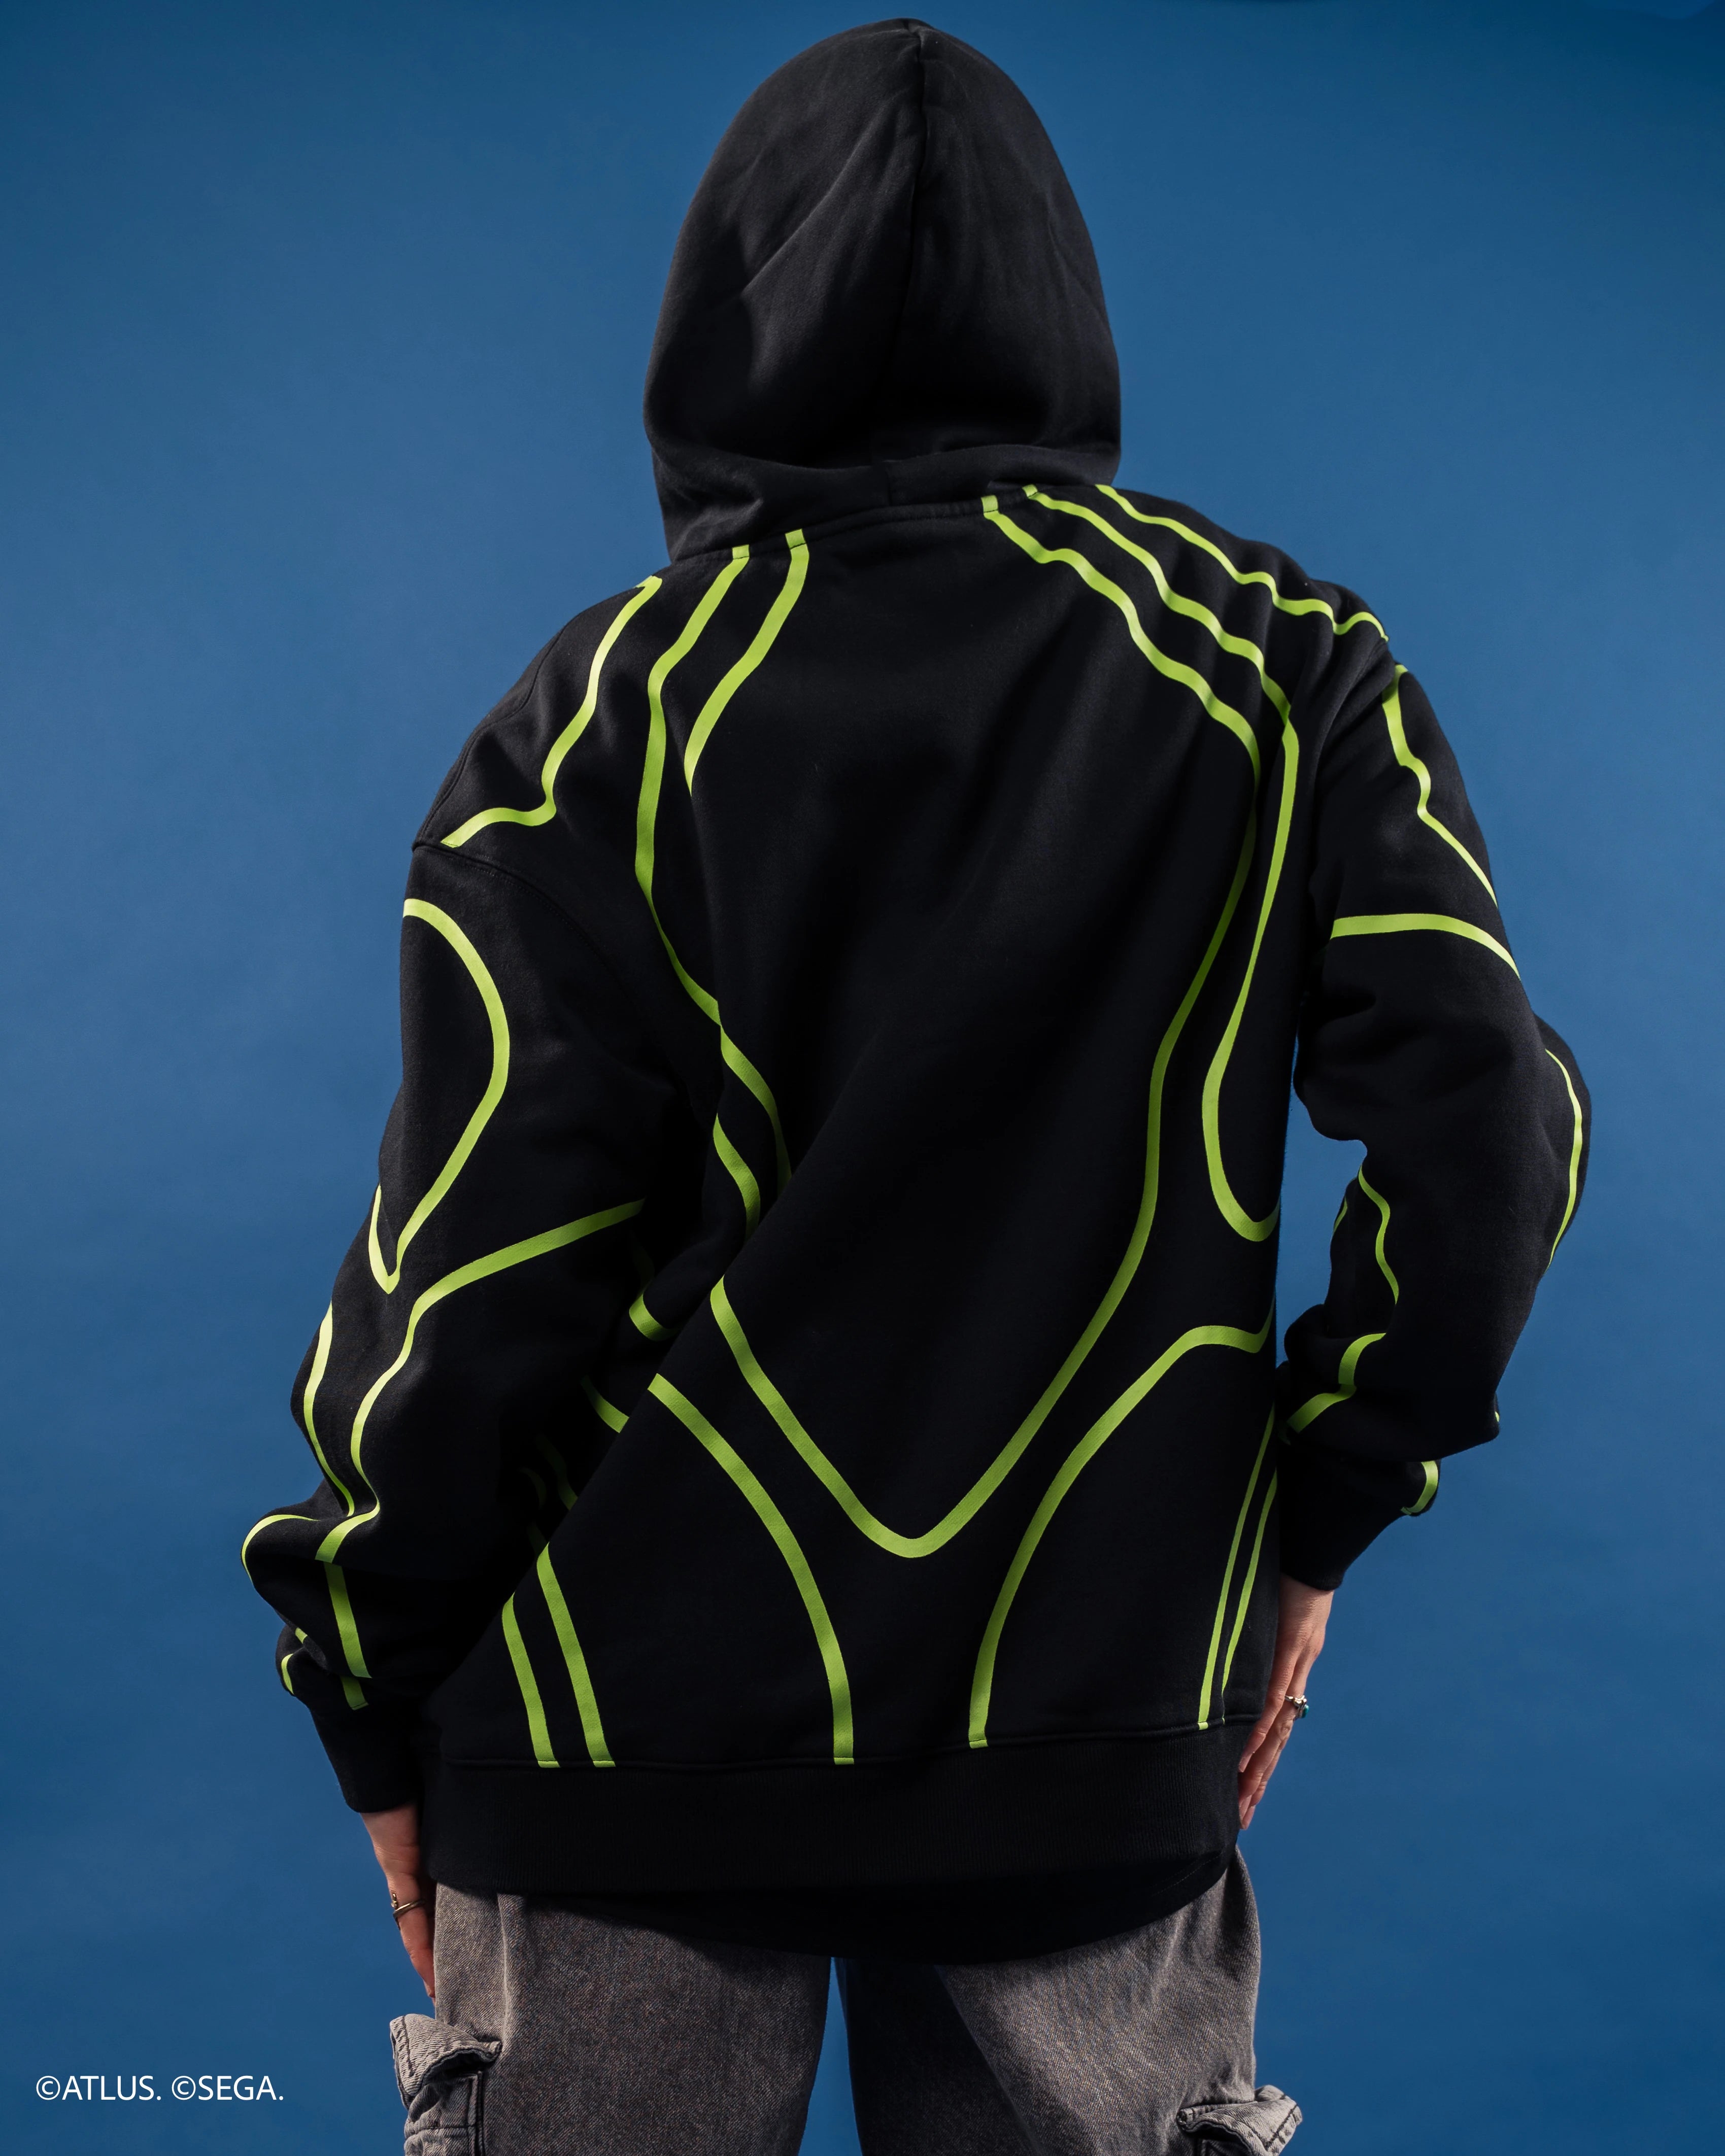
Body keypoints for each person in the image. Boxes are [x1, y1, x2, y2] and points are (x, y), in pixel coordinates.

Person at [243, 18, 1589, 2154]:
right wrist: (1317, 1507)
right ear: (1066, 318)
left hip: (616, 1761)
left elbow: (468, 1278)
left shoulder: (598, 726)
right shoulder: (1284, 672)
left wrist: (367, 1679)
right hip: (1095, 1740)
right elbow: (1493, 1129)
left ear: (714, 330)